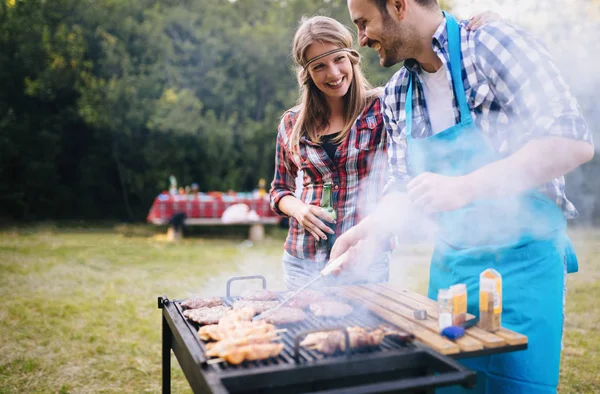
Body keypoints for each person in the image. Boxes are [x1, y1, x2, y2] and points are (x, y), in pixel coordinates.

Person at [332, 0, 594, 393]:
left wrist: (465, 186)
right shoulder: (397, 93)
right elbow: (404, 187)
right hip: (451, 274)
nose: (362, 38)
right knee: (448, 386)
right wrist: (368, 231)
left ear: (399, 6)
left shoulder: (490, 44)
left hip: (524, 267)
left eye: (364, 22)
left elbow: (572, 142)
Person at [270, 13, 497, 291]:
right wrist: (300, 210)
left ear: (352, 58)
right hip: (301, 257)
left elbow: (435, 62)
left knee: (360, 332)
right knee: (300, 331)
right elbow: (279, 190)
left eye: (338, 59)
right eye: (319, 66)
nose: (332, 73)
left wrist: (476, 26)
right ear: (306, 73)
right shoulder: (292, 124)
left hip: (365, 254)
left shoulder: (384, 104)